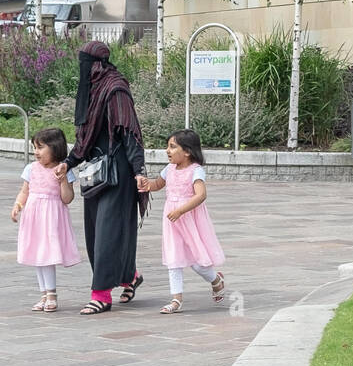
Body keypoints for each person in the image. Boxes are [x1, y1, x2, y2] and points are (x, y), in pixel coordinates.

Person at [57, 41, 148, 316]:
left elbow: (129, 134)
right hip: (95, 174)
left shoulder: (115, 89)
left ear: (96, 64)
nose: (83, 69)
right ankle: (129, 276)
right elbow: (85, 140)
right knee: (96, 233)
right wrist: (68, 162)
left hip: (118, 173)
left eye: (85, 62)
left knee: (108, 234)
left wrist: (139, 172)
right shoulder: (93, 90)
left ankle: (101, 295)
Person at [138, 129, 227, 314]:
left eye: (172, 147)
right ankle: (176, 299)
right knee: (174, 257)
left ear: (187, 151)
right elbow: (157, 184)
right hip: (172, 222)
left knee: (197, 262)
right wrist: (146, 184)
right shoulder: (169, 169)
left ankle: (216, 280)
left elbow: (201, 195)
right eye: (167, 146)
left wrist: (180, 210)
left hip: (190, 220)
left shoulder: (195, 170)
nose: (167, 150)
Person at [11, 127, 80, 313]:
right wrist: (18, 205)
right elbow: (24, 191)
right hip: (33, 217)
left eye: (40, 147)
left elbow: (67, 198)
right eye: (35, 147)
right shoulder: (30, 168)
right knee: (37, 256)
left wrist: (63, 180)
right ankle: (43, 293)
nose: (36, 152)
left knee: (46, 255)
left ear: (55, 148)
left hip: (50, 218)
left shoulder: (63, 170)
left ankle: (51, 294)